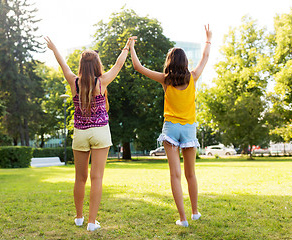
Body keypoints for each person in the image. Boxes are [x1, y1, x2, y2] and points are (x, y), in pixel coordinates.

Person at [45, 36, 132, 231]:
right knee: (97, 177)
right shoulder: (102, 82)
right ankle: (92, 222)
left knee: (80, 178)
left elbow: (62, 64)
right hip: (100, 132)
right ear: (97, 65)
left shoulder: (73, 82)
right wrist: (126, 48)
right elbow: (118, 65)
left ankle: (79, 217)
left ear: (82, 66)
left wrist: (54, 48)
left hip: (81, 134)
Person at [129, 25, 212, 227]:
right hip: (189, 129)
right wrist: (208, 39)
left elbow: (139, 67)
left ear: (169, 62)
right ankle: (195, 212)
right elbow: (206, 57)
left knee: (175, 175)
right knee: (190, 174)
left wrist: (131, 47)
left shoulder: (165, 80)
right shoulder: (193, 77)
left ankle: (182, 219)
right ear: (185, 62)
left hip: (171, 130)